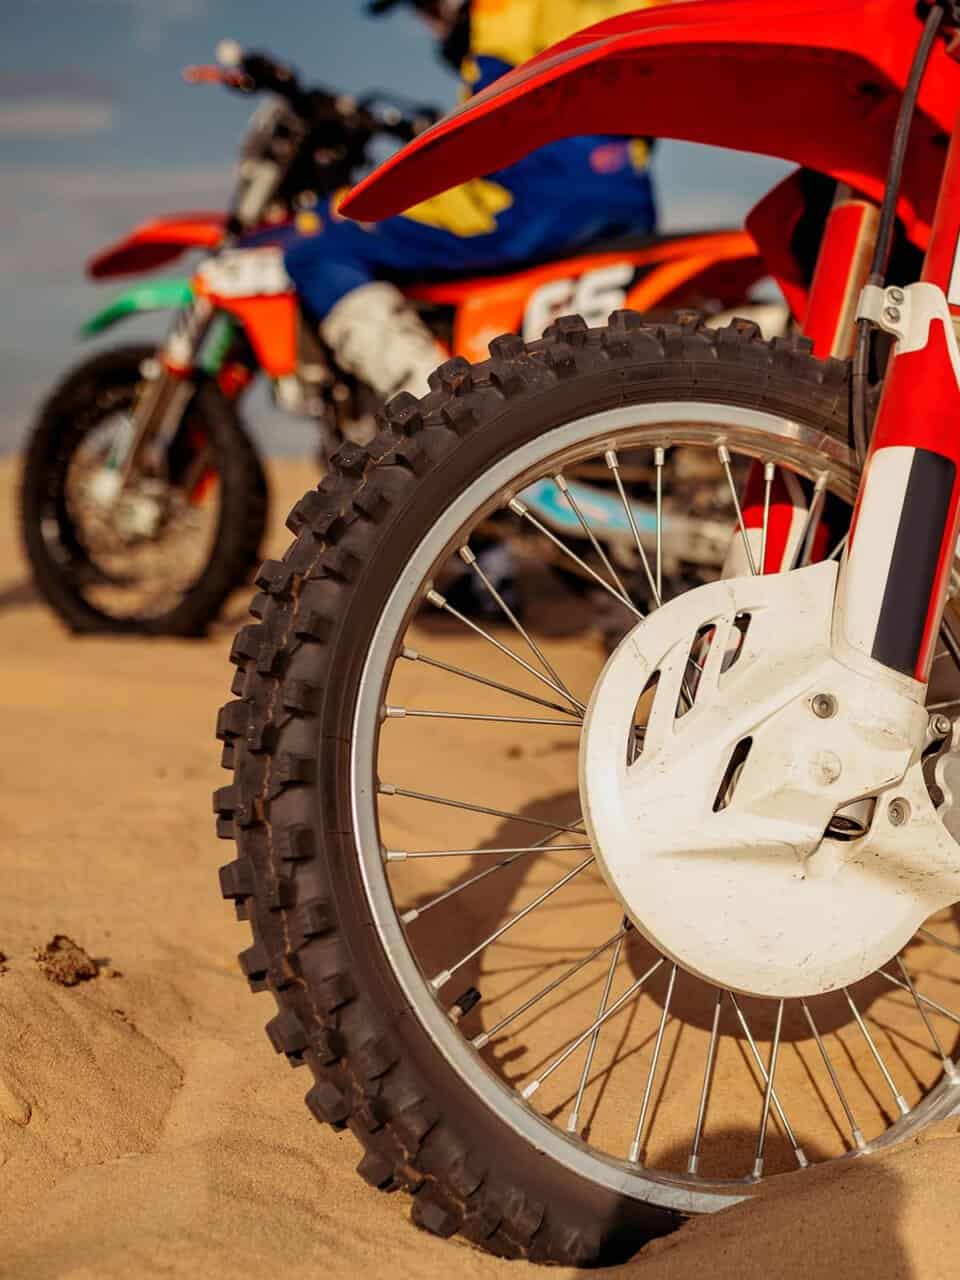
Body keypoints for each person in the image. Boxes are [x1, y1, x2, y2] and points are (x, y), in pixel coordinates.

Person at [283, 0, 665, 401]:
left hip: (531, 205)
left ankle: (432, 408)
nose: (431, 26)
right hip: (626, 196)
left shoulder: (503, 16)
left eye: (428, 10)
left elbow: (491, 140)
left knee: (319, 247)